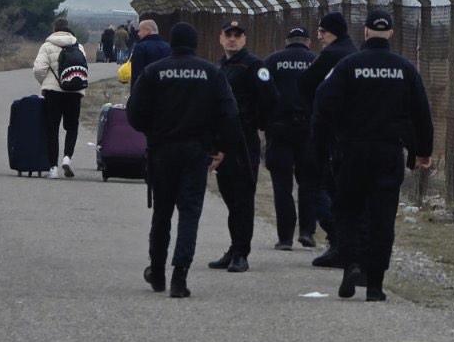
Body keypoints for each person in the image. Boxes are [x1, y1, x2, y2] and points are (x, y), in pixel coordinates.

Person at [311, 7, 434, 303]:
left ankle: (351, 265)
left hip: (351, 151)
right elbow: (421, 113)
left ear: (365, 31)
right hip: (388, 152)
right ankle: (375, 283)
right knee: (382, 216)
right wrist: (423, 151)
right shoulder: (404, 69)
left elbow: (323, 103)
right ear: (390, 33)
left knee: (348, 211)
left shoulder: (348, 65)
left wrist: (322, 145)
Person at [126, 22, 242, 299]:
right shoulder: (211, 73)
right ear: (195, 43)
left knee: (162, 213)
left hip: (162, 150)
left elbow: (135, 113)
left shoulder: (154, 72)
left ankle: (157, 271)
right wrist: (220, 146)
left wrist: (152, 132)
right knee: (189, 214)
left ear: (172, 42)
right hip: (196, 151)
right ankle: (180, 276)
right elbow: (229, 113)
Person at [298, 10, 358, 266]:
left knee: (314, 182)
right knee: (341, 187)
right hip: (351, 130)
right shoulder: (355, 53)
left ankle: (336, 235)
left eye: (322, 32)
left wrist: (314, 110)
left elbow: (306, 83)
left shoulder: (332, 55)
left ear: (332, 32)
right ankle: (345, 241)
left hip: (328, 129)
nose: (319, 37)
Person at [208, 18, 267, 272]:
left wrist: (252, 124)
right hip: (223, 142)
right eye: (228, 35)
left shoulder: (253, 66)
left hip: (244, 142)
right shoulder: (220, 66)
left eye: (237, 35)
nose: (232, 39)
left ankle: (242, 253)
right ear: (221, 38)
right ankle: (234, 247)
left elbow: (270, 100)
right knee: (230, 198)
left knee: (243, 199)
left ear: (244, 39)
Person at [262, 25, 325, 249]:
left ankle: (285, 237)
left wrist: (266, 121)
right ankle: (307, 232)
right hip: (309, 129)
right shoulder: (317, 61)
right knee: (308, 183)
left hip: (280, 129)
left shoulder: (272, 61)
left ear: (287, 42)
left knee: (282, 185)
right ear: (308, 42)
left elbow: (263, 92)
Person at [32, 16, 87, 179]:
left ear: (54, 29)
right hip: (74, 92)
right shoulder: (78, 46)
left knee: (52, 129)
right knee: (72, 127)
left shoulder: (47, 46)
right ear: (68, 28)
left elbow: (39, 69)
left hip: (53, 93)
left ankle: (53, 168)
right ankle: (67, 158)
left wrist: (45, 83)